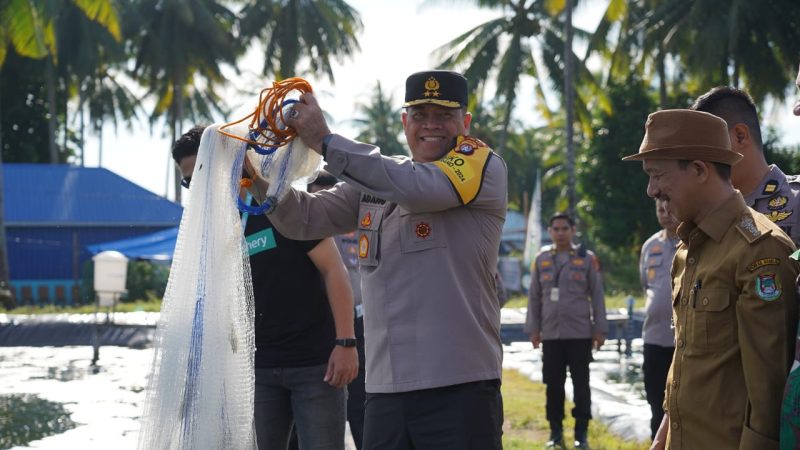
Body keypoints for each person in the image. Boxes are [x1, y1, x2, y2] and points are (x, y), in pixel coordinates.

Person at [245, 70, 507, 449]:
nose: (430, 125)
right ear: (405, 122)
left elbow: (417, 188)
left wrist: (325, 141)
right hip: (386, 391)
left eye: (443, 116)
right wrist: (253, 177)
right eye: (419, 115)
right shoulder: (378, 183)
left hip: (459, 386)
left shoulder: (480, 165)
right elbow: (304, 219)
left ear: (464, 123)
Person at [172, 126, 358, 450]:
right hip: (258, 370)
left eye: (200, 174)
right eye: (189, 181)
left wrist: (346, 343)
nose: (196, 186)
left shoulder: (279, 204)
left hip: (316, 365)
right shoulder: (210, 230)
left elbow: (334, 270)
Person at [622, 109, 799, 450]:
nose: (651, 190)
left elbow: (767, 391)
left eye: (658, 175)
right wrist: (663, 435)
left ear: (700, 170)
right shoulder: (687, 252)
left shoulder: (759, 251)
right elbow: (689, 359)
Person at [524, 212, 607, 449]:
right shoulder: (541, 259)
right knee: (553, 385)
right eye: (556, 229)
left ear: (573, 231)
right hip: (551, 335)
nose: (560, 233)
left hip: (580, 334)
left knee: (581, 385)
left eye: (564, 229)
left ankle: (581, 433)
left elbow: (597, 296)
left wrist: (600, 329)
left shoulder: (587, 258)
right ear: (550, 232)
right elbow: (534, 297)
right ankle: (555, 433)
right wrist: (534, 329)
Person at [691, 86, 800, 246]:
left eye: (707, 145)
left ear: (740, 136)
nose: (700, 158)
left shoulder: (796, 199)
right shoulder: (705, 216)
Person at [308, 171, 366, 450]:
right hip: (318, 329)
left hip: (358, 326)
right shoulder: (304, 231)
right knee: (318, 411)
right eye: (316, 199)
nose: (324, 207)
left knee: (361, 407)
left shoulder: (354, 229)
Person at [639, 198, 679, 440]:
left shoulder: (693, 241)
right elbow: (646, 285)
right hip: (653, 337)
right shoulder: (650, 245)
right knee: (655, 399)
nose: (664, 213)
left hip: (681, 341)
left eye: (668, 207)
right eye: (659, 209)